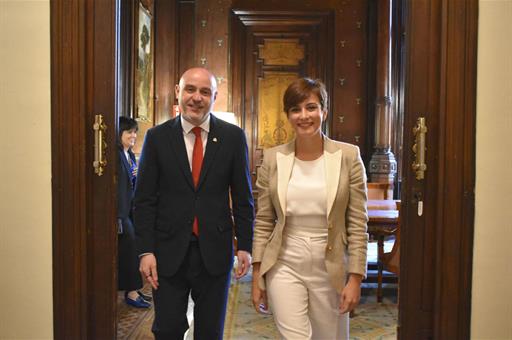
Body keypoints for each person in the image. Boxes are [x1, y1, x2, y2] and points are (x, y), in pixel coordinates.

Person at [134, 67, 254, 339]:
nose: (196, 98)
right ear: (177, 92)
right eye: (190, 89)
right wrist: (145, 251)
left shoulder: (233, 138)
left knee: (210, 332)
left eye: (204, 92)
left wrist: (245, 246)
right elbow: (143, 200)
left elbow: (243, 197)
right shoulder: (157, 138)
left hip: (215, 251)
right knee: (167, 330)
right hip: (167, 253)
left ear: (214, 97)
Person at [251, 78, 369, 339]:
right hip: (284, 262)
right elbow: (263, 222)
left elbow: (358, 223)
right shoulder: (272, 159)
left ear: (324, 112)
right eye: (296, 109)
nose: (304, 116)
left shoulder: (348, 156)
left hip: (330, 263)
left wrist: (356, 277)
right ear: (288, 116)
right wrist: (257, 273)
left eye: (311, 107)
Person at [117, 116, 152, 308]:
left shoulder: (129, 155)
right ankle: (131, 293)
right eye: (129, 132)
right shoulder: (116, 156)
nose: (133, 135)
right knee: (131, 249)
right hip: (121, 214)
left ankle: (134, 289)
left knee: (136, 247)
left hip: (131, 210)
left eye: (135, 132)